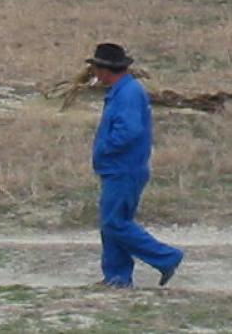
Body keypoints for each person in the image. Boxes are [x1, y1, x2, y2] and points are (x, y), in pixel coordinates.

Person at [87, 42, 184, 288]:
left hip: (123, 168)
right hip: (119, 168)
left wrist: (106, 149)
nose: (95, 73)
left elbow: (129, 131)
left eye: (96, 68)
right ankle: (117, 278)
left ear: (107, 69)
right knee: (112, 223)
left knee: (114, 223)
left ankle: (166, 257)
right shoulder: (123, 90)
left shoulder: (128, 93)